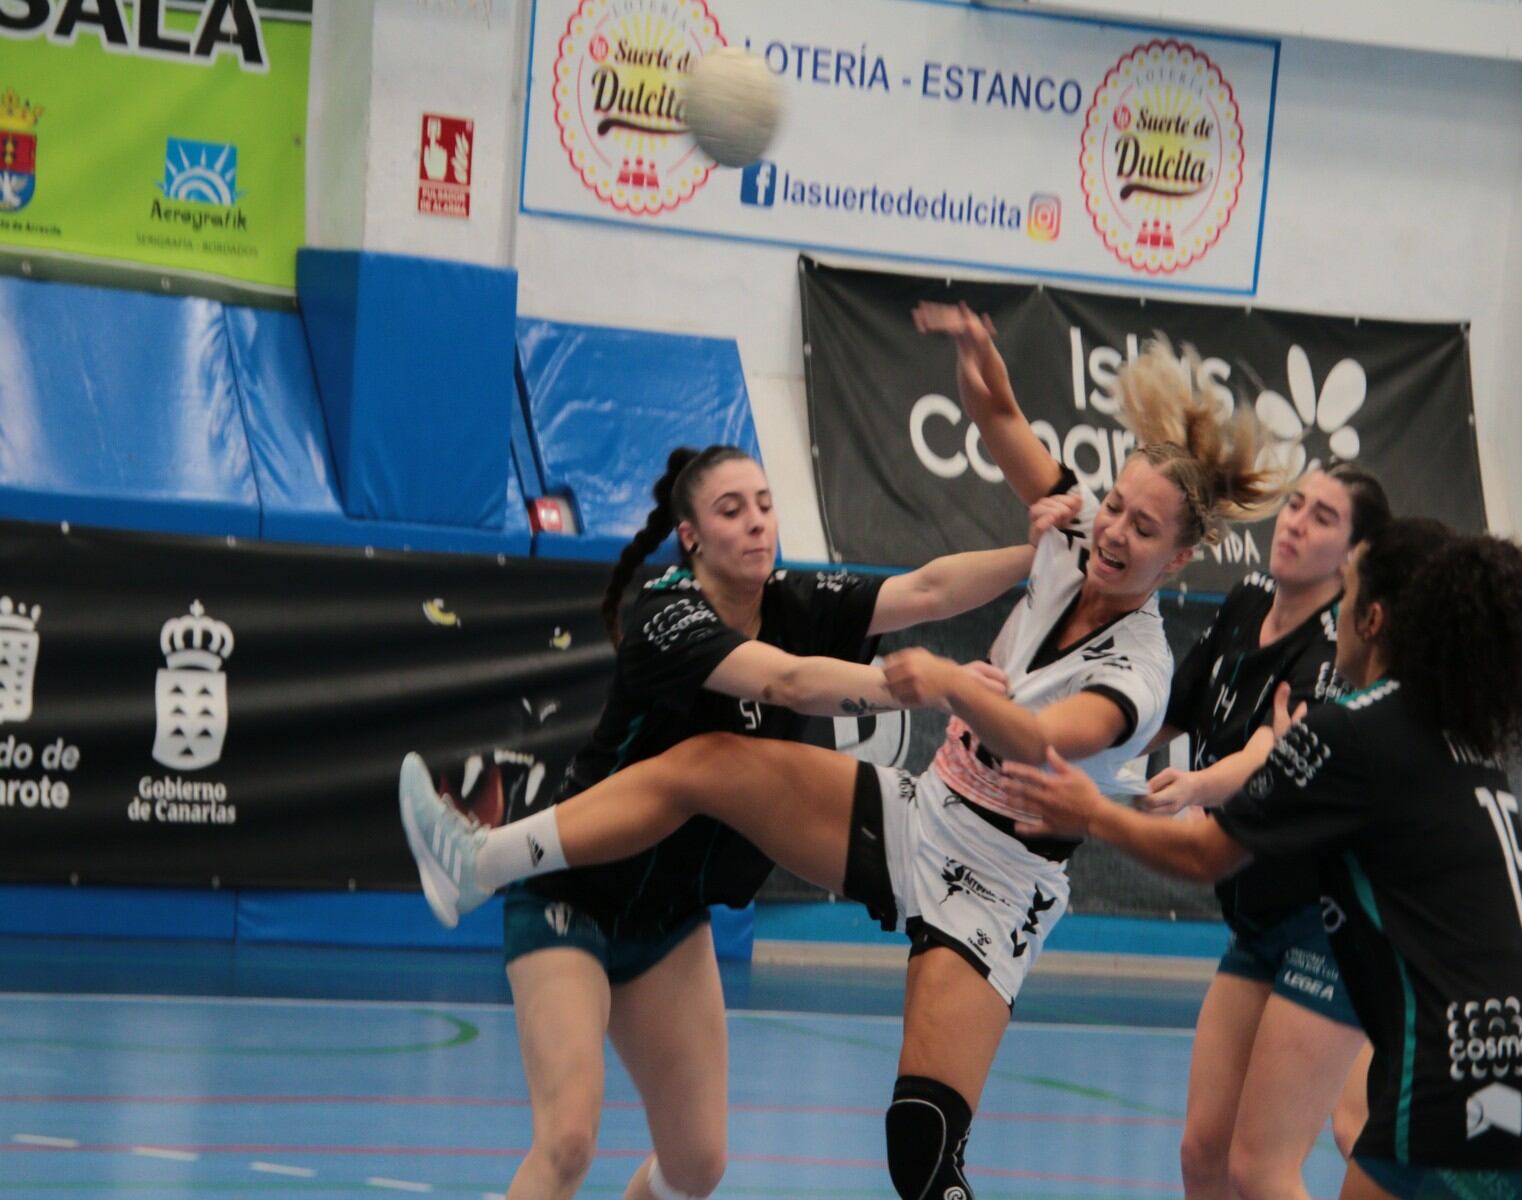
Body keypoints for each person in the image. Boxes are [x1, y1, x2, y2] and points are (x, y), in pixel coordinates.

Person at [401, 319, 1289, 1200]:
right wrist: (979, 362)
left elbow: (1050, 740)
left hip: (998, 879)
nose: (1116, 530)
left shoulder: (1141, 666)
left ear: (1179, 558)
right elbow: (1002, 424)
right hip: (922, 812)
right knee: (712, 758)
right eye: (1116, 508)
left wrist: (948, 680)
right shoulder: (1073, 536)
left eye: (1144, 529)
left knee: (921, 1148)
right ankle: (482, 858)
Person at [401, 443, 1063, 1200]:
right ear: (691, 537)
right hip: (571, 898)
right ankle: (480, 861)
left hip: (670, 921)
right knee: (570, 1138)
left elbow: (930, 588)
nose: (755, 523)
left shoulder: (792, 598)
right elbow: (786, 680)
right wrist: (933, 687)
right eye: (730, 510)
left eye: (763, 504)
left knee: (697, 1166)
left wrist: (1041, 558)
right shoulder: (667, 613)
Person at [1001, 518, 1522, 1200]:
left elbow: (1203, 856)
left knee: (1263, 1166)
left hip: (1457, 1079)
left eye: (1346, 594)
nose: (1331, 614)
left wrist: (1091, 811)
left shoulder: (1353, 727)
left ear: (1371, 619)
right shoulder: (1459, 739)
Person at [1139, 461, 1390, 1200]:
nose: (1294, 521)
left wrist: (1194, 787)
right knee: (1202, 1153)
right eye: (1294, 504)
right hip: (1256, 918)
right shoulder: (1247, 598)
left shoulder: (1334, 646)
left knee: (1263, 1167)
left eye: (1321, 517)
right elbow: (1171, 712)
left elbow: (1265, 756)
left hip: (1326, 923)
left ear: (1353, 559)